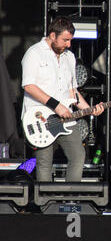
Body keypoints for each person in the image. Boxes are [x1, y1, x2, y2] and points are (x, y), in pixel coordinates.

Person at [21, 16, 104, 182]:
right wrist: (56, 105)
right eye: (65, 40)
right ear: (52, 36)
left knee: (78, 155)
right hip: (40, 120)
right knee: (44, 162)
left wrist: (89, 109)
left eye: (70, 40)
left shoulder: (70, 57)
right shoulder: (34, 53)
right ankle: (45, 204)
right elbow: (28, 86)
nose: (68, 44)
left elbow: (72, 91)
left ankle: (69, 199)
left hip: (66, 120)